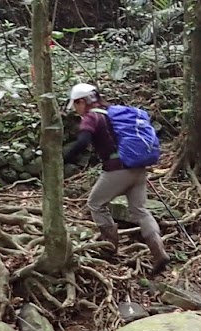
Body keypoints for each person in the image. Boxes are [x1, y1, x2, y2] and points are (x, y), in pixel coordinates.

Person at [63, 83, 168, 274]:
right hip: (137, 168)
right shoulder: (111, 113)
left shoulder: (91, 117)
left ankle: (110, 248)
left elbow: (83, 142)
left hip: (117, 170)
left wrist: (63, 159)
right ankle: (159, 252)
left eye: (76, 104)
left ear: (82, 101)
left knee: (95, 204)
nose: (76, 109)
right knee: (140, 211)